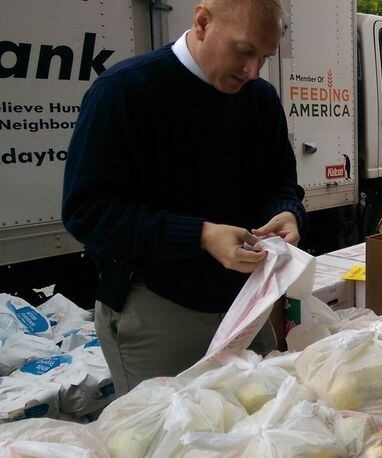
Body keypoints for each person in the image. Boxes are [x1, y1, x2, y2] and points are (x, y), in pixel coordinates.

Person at [62, 0, 307, 395]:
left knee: (259, 433)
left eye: (265, 57)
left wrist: (287, 213)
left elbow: (282, 184)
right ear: (202, 22)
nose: (252, 70)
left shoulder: (260, 99)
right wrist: (200, 235)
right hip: (158, 311)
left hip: (247, 306)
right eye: (245, 51)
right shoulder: (124, 92)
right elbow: (86, 212)